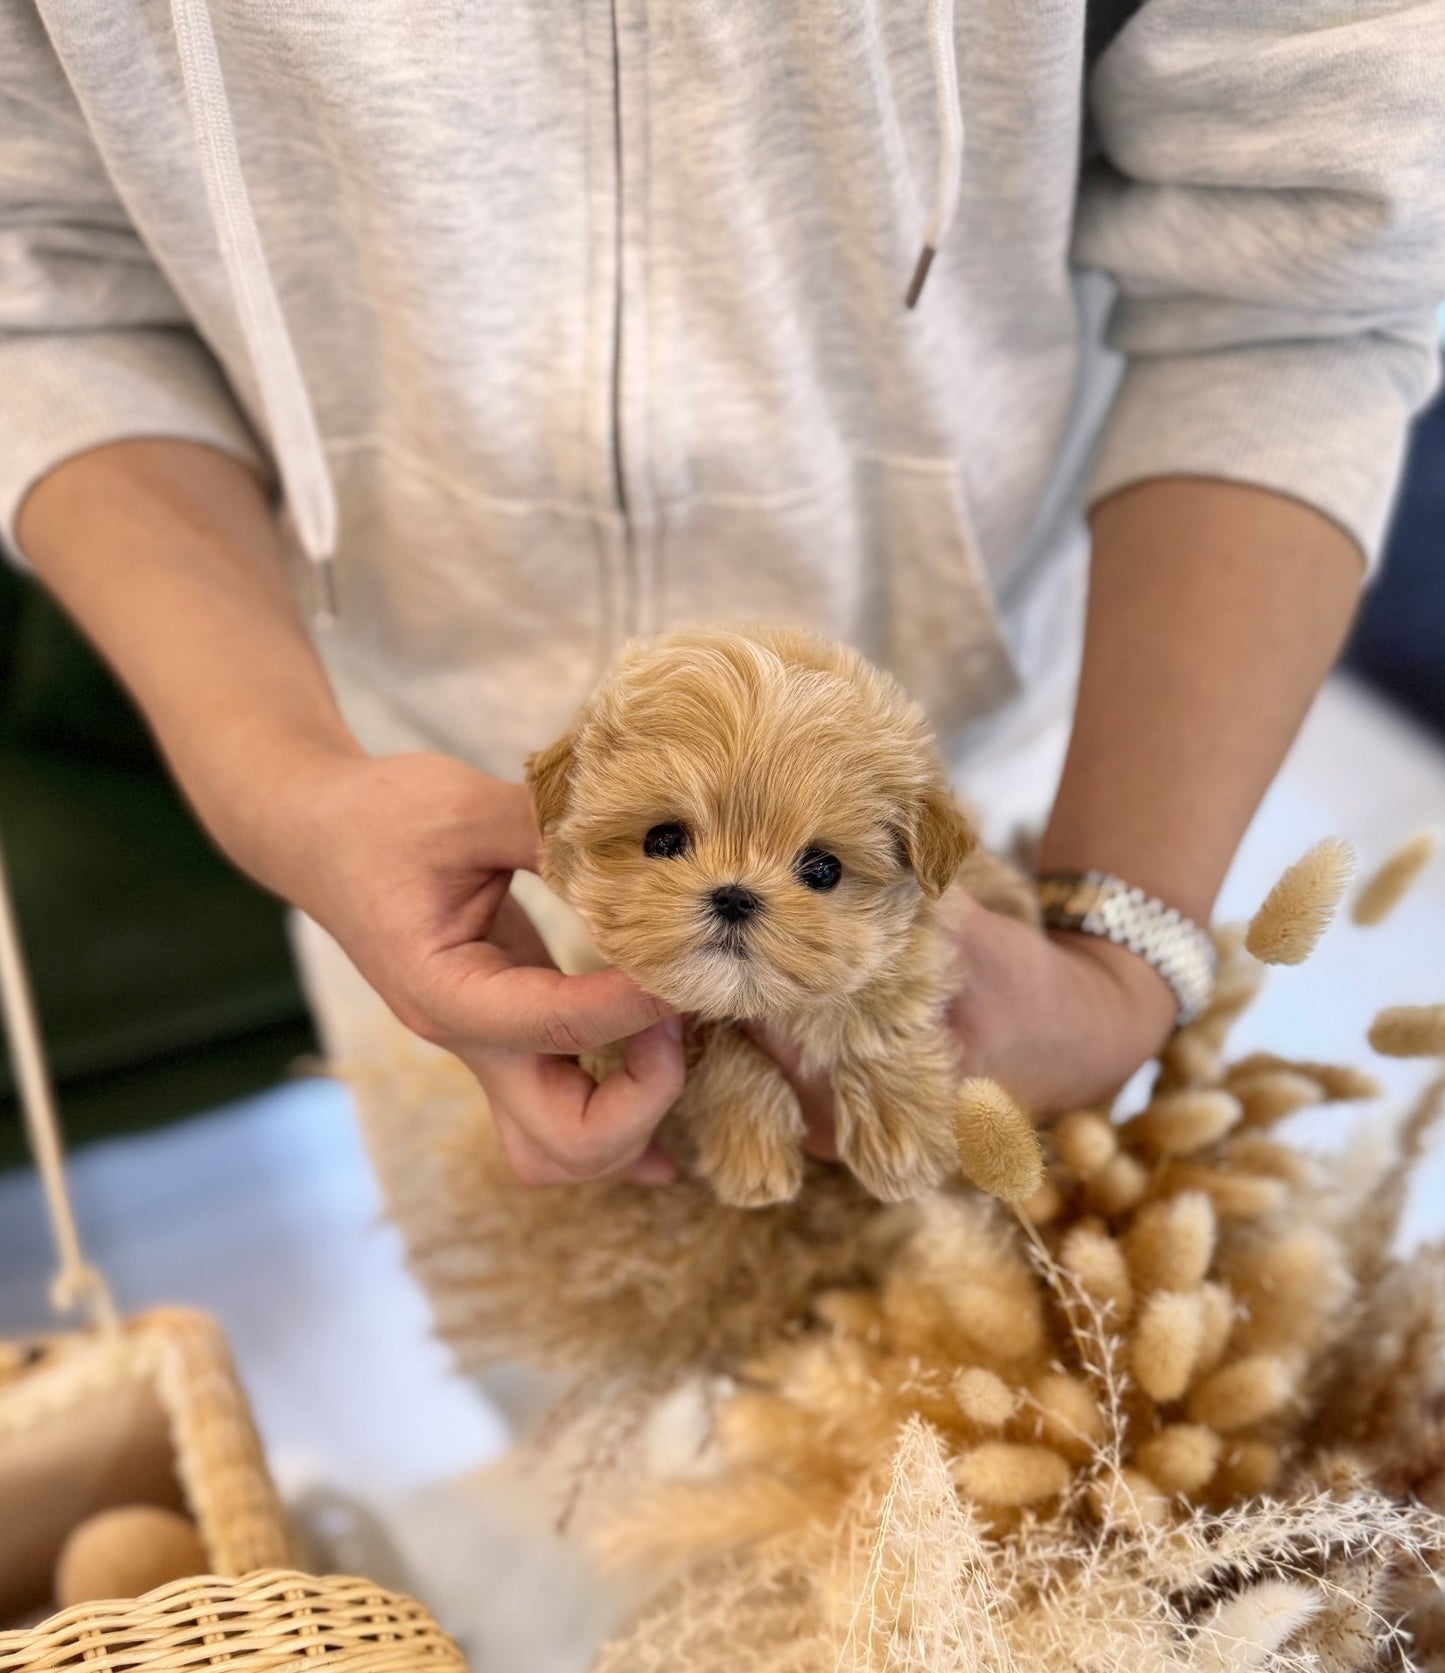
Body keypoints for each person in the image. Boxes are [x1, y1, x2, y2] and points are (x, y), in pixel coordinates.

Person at [4, 1, 1443, 1190]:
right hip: (405, 796)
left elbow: (1310, 273)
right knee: (577, 1424)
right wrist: (292, 789)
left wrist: (1121, 946)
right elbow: (44, 284)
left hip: (1022, 759)